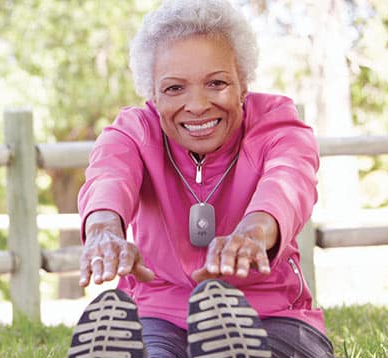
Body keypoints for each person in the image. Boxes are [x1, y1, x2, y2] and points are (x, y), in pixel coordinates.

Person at [69, 0, 335, 357]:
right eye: (175, 88)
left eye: (216, 83)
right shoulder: (134, 132)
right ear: (153, 95)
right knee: (154, 351)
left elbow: (289, 179)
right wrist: (103, 230)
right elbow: (109, 176)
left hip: (270, 314)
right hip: (158, 314)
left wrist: (255, 230)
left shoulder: (276, 124)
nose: (196, 105)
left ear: (243, 84)